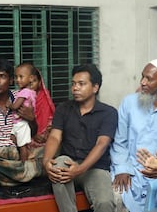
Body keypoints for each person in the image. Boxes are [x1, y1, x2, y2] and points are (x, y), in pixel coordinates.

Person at [110, 59, 157, 212]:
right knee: (116, 200)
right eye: (142, 77)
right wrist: (122, 169)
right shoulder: (128, 103)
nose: (142, 82)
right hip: (129, 175)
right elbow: (119, 141)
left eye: (149, 78)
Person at [43, 64, 118, 212]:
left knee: (105, 203)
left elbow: (101, 144)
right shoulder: (63, 109)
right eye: (73, 84)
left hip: (94, 168)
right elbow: (55, 138)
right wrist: (46, 162)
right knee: (57, 165)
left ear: (95, 87)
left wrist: (80, 169)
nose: (75, 88)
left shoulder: (108, 113)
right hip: (68, 162)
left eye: (81, 84)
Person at [6, 63, 37, 161]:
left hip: (21, 123)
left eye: (21, 77)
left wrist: (9, 105)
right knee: (14, 139)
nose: (18, 80)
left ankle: (23, 164)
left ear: (31, 78)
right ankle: (27, 156)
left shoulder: (24, 92)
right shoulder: (32, 92)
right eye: (16, 77)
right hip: (21, 123)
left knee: (22, 146)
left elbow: (16, 106)